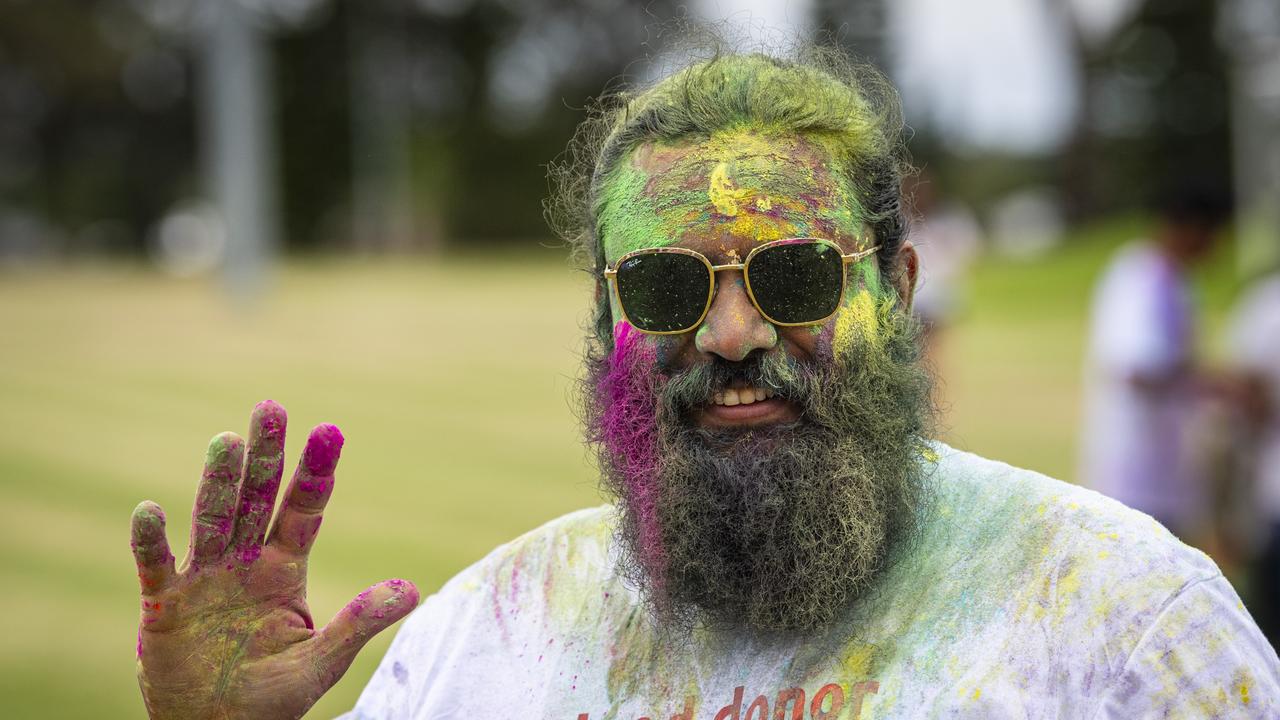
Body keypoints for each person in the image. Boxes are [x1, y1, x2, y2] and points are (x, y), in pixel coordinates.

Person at [129, 51, 1279, 719]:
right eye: (667, 287)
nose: (730, 334)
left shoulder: (1123, 625)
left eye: (792, 273)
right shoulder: (480, 648)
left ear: (900, 284)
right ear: (602, 318)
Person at [1077, 186, 1232, 541]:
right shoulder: (1138, 277)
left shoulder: (1177, 280)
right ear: (1192, 228)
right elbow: (1136, 369)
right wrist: (1215, 385)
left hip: (1166, 472)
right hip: (1133, 472)